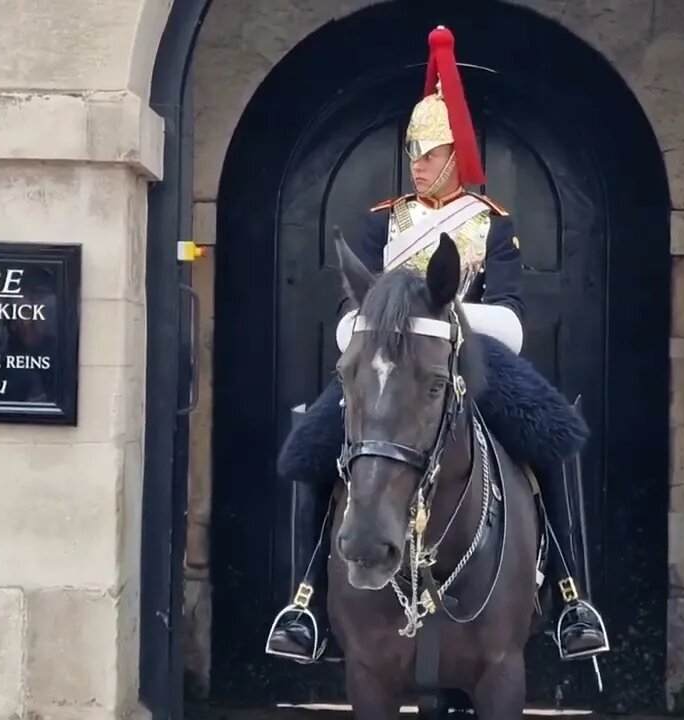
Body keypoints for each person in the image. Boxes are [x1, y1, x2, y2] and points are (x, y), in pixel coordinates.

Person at [265, 25, 610, 665]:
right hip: (387, 355)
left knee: (556, 433)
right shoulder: (383, 221)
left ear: (456, 156)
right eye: (414, 151)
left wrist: (448, 325)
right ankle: (306, 601)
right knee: (309, 445)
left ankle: (570, 598)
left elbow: (509, 308)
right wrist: (373, 328)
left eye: (430, 152)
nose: (418, 163)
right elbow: (353, 300)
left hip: (474, 350)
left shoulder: (490, 225)